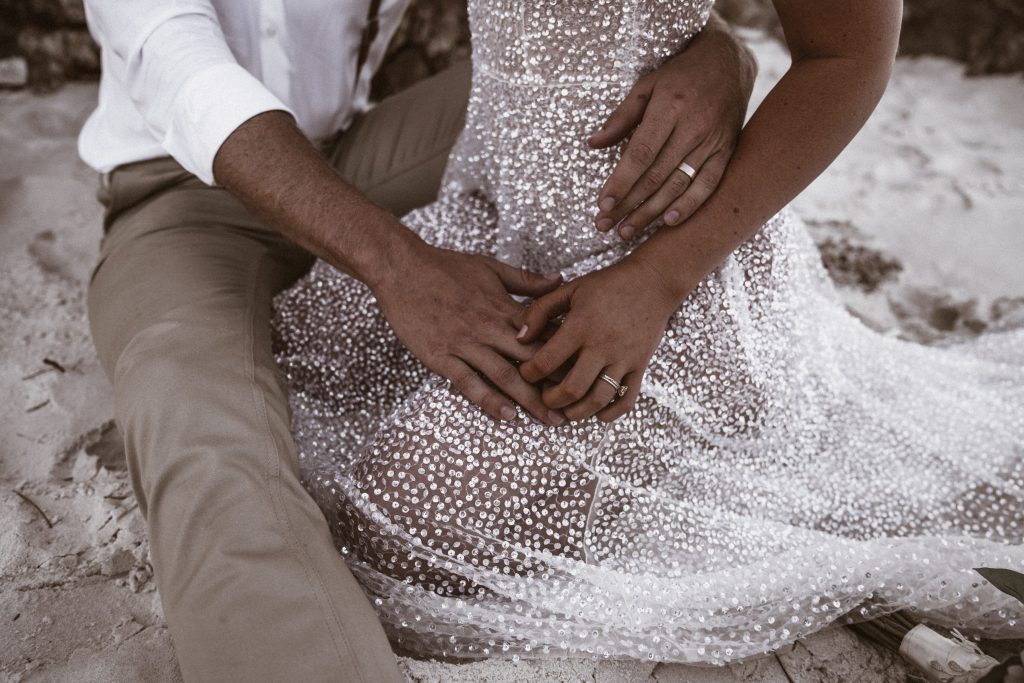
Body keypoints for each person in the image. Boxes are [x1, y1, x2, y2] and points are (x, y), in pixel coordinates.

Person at [274, 0, 1024, 665]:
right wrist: (726, 45)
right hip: (495, 223)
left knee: (404, 525)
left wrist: (660, 278)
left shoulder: (663, 277)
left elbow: (851, 51)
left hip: (667, 275)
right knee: (295, 355)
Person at [79, 0, 755, 679]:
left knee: (599, 86)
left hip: (359, 150)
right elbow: (183, 70)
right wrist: (398, 266)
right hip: (178, 192)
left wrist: (719, 51)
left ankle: (719, 366)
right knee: (196, 424)